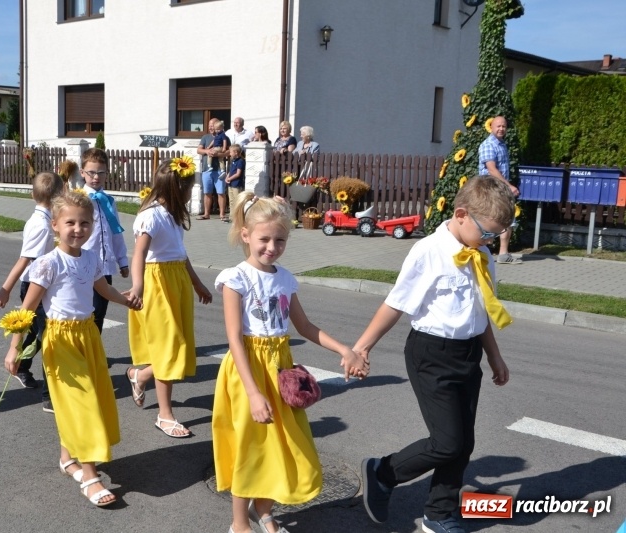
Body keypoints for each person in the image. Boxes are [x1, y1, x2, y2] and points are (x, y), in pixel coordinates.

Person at [353, 176, 513, 533]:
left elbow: (480, 311)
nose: (491, 240)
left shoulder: (482, 255)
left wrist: (494, 356)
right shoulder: (428, 251)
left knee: (463, 443)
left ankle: (439, 515)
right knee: (447, 442)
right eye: (487, 232)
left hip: (468, 353)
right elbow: (396, 304)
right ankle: (382, 472)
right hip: (432, 354)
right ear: (460, 215)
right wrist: (362, 347)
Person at [212, 192, 367, 533]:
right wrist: (253, 394)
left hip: (279, 371)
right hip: (247, 374)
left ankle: (263, 510)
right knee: (250, 447)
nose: (272, 247)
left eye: (279, 240)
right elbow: (235, 340)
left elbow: (305, 327)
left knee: (280, 445)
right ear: (246, 235)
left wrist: (344, 350)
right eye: (264, 239)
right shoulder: (235, 278)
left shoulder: (284, 278)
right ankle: (240, 523)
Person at [3, 192, 141, 507]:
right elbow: (26, 310)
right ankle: (90, 476)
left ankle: (68, 459)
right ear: (55, 225)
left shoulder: (91, 259)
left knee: (92, 398)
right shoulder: (47, 264)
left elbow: (102, 290)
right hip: (61, 341)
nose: (78, 229)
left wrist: (127, 300)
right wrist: (15, 349)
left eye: (85, 223)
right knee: (83, 405)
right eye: (70, 223)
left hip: (88, 337)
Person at [125, 156, 213, 438]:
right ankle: (165, 415)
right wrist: (137, 286)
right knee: (169, 349)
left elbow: (179, 254)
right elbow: (139, 253)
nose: (191, 193)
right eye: (189, 188)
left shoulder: (171, 215)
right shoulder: (150, 215)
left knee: (178, 345)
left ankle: (140, 375)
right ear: (178, 188)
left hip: (175, 283)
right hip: (157, 284)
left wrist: (197, 283)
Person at [0, 171, 64, 412]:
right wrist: (6, 288)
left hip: (41, 283)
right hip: (36, 286)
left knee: (38, 332)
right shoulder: (42, 226)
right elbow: (24, 260)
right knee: (47, 339)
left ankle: (22, 367)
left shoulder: (41, 220)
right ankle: (50, 397)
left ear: (32, 194)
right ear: (59, 195)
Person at [80, 148, 130, 337]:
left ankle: (94, 354)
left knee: (99, 313)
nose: (96, 177)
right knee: (85, 313)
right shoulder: (79, 199)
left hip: (104, 267)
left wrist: (122, 261)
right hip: (83, 266)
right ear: (82, 172)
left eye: (101, 173)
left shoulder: (109, 200)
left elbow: (115, 232)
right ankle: (82, 355)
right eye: (91, 172)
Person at [478, 115, 521, 265]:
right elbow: (491, 169)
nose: (501, 129)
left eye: (504, 126)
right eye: (498, 126)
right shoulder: (488, 144)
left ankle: (503, 254)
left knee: (508, 219)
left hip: (501, 189)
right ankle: (482, 251)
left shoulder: (502, 145)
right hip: (490, 189)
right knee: (487, 219)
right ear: (491, 127)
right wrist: (509, 186)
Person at [197, 118, 229, 220]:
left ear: (217, 126)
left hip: (220, 170)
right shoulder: (205, 137)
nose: (211, 127)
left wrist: (218, 154)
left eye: (213, 125)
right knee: (207, 192)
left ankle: (222, 214)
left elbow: (229, 152)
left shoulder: (225, 137)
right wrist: (207, 151)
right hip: (207, 169)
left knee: (221, 192)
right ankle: (206, 214)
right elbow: (199, 150)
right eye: (209, 125)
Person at [224, 144, 245, 223]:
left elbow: (238, 173)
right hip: (231, 184)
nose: (229, 154)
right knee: (231, 201)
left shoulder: (240, 161)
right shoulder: (233, 161)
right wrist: (227, 177)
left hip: (237, 184)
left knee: (237, 201)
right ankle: (231, 216)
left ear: (236, 152)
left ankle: (238, 218)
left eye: (231, 152)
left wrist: (230, 178)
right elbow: (231, 171)